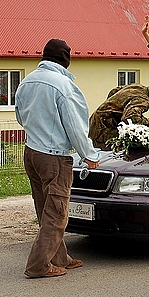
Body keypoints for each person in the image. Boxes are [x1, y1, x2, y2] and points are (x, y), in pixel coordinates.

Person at [15, 39, 100, 278]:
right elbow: (75, 126)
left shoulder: (27, 80)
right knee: (57, 212)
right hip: (54, 156)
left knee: (44, 207)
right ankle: (38, 265)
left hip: (31, 152)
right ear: (66, 59)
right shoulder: (64, 86)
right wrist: (89, 155)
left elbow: (20, 116)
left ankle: (60, 257)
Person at [88, 78, 149, 150]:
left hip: (97, 120)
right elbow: (130, 118)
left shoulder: (139, 87)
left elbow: (114, 91)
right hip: (103, 128)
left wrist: (113, 108)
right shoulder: (143, 100)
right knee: (108, 157)